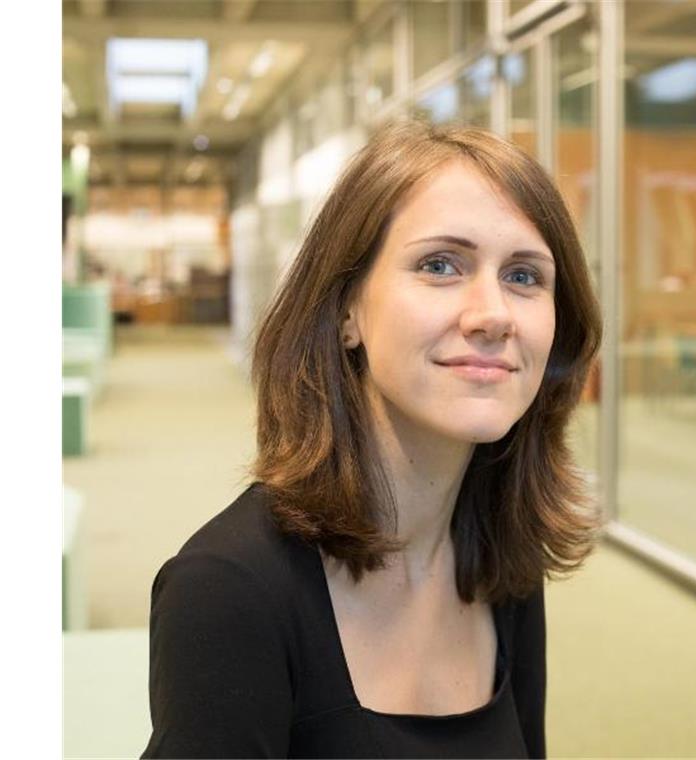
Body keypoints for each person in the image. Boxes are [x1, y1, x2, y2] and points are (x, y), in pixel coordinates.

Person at [141, 120, 603, 759]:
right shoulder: (228, 592)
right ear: (348, 310)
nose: (493, 314)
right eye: (440, 265)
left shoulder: (502, 555)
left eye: (525, 276)